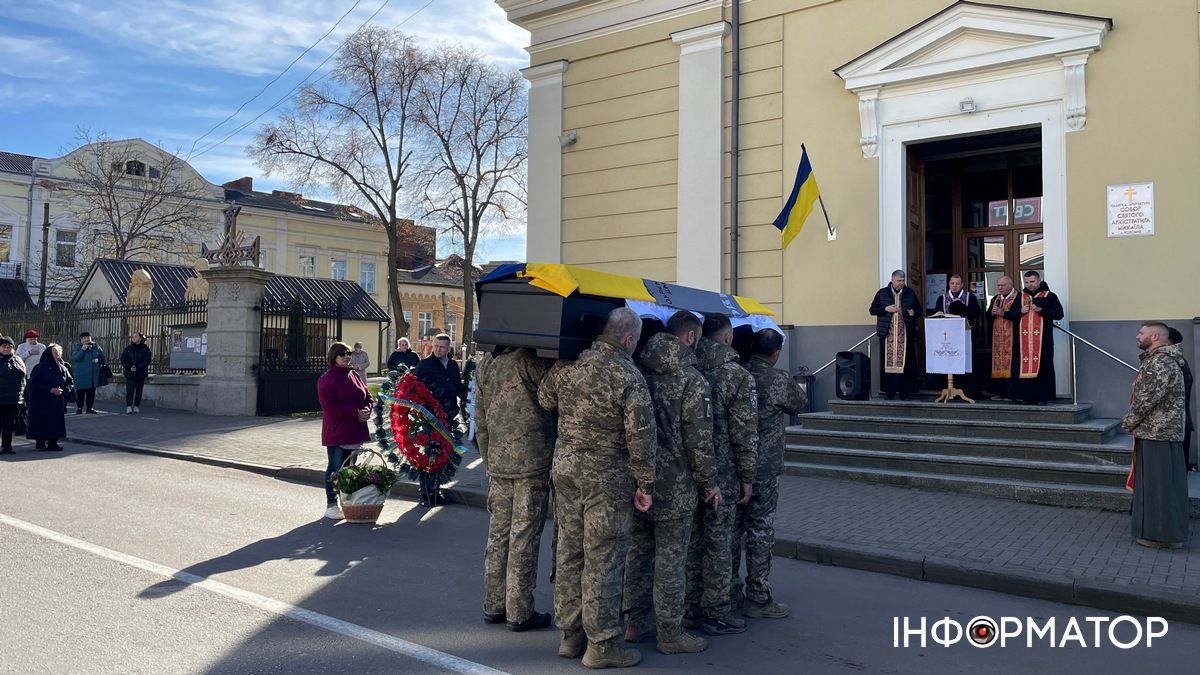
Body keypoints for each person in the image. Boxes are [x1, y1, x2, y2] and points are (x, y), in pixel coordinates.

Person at [538, 307, 656, 669]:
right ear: (627, 339)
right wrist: (646, 483)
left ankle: (571, 636)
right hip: (606, 479)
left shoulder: (569, 365)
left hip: (567, 473)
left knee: (570, 553)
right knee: (603, 558)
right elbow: (642, 435)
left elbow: (544, 399)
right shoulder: (628, 375)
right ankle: (603, 644)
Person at [625, 311, 718, 656]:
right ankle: (670, 633)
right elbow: (699, 440)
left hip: (639, 480)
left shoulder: (636, 369)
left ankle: (633, 623)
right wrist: (709, 483)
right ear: (690, 337)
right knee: (671, 559)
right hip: (676, 483)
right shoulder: (691, 380)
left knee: (638, 553)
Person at [687, 313, 758, 635]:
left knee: (690, 542)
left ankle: (686, 607)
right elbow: (744, 433)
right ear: (727, 337)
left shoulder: (686, 367)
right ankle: (715, 611)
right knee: (719, 544)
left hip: (687, 470)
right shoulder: (737, 375)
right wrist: (748, 476)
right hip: (723, 472)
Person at [476, 346, 556, 632]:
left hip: (498, 462)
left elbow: (480, 417)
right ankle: (519, 611)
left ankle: (494, 604)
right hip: (531, 462)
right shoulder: (531, 359)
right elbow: (550, 399)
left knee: (498, 535)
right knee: (523, 536)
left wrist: (487, 458)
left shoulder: (486, 362)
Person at [733, 329, 806, 619]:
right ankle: (758, 596)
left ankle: (727, 591)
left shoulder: (736, 373)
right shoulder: (778, 379)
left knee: (731, 530)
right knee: (760, 530)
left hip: (734, 465)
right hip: (764, 466)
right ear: (775, 354)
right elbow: (798, 405)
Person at [1122, 322, 1189, 549]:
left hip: (1157, 433)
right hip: (1160, 433)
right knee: (1163, 486)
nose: (1137, 336)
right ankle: (1161, 533)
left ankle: (1160, 536)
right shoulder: (1162, 361)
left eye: (1141, 333)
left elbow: (1146, 400)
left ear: (1155, 337)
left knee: (1158, 488)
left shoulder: (1159, 362)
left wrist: (1128, 422)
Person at [317, 342, 373, 521]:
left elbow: (367, 396)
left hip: (355, 429)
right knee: (335, 468)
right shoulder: (327, 378)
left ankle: (347, 501)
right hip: (337, 431)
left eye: (349, 353)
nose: (347, 356)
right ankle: (331, 504)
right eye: (343, 354)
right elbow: (330, 406)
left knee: (349, 469)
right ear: (334, 357)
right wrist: (355, 413)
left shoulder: (354, 375)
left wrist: (366, 410)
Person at [414, 333, 466, 506]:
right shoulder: (425, 365)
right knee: (430, 453)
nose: (437, 349)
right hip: (430, 418)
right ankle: (425, 493)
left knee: (442, 454)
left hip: (448, 415)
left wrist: (470, 398)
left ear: (448, 348)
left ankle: (436, 491)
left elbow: (458, 386)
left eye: (441, 347)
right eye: (435, 346)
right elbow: (415, 389)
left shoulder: (451, 365)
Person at [1007, 271, 1064, 405]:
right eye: (1026, 282)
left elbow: (1059, 314)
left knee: (1044, 367)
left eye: (1032, 282)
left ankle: (1043, 397)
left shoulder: (1050, 296)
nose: (1029, 285)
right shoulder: (1020, 297)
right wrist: (1020, 312)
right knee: (1021, 367)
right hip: (1022, 341)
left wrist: (1041, 310)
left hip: (1043, 341)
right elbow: (1009, 315)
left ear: (1039, 281)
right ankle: (1025, 397)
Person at [869, 270, 922, 399]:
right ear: (892, 280)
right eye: (899, 281)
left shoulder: (909, 293)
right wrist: (885, 309)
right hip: (888, 335)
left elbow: (919, 310)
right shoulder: (882, 293)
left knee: (906, 364)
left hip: (905, 335)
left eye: (903, 281)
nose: (901, 283)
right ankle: (889, 392)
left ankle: (905, 391)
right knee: (887, 364)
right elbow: (872, 310)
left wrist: (913, 313)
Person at [933, 274, 982, 395]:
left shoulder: (969, 297)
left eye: (957, 284)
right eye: (952, 283)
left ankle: (967, 390)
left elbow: (976, 313)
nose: (954, 286)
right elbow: (937, 314)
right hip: (947, 336)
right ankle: (949, 388)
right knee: (949, 360)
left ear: (962, 285)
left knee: (966, 361)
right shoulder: (942, 298)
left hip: (965, 335)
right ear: (949, 284)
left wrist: (963, 307)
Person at [26, 344, 72, 452]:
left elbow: (70, 382)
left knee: (55, 422)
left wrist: (64, 390)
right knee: (42, 422)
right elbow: (33, 384)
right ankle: (40, 443)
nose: (58, 355)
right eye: (55, 353)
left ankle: (53, 443)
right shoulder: (39, 368)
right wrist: (50, 390)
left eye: (59, 353)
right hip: (41, 401)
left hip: (57, 401)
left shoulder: (62, 368)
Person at [1166, 327, 1196, 471]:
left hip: (1174, 427)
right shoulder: (1181, 361)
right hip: (1181, 423)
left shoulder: (1171, 362)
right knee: (1178, 471)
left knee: (1174, 472)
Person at [985, 276, 1019, 400]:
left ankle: (1012, 394)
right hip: (998, 338)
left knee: (1013, 364)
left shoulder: (1019, 297)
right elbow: (987, 316)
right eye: (998, 285)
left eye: (1003, 285)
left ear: (1010, 285)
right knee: (998, 363)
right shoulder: (996, 298)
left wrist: (1004, 313)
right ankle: (999, 392)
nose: (1000, 288)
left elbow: (1019, 315)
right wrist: (992, 314)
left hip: (1014, 338)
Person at [0, 336, 26, 454]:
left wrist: (21, 396)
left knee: (9, 425)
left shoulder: (18, 360)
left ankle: (7, 446)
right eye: (4, 346)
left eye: (9, 347)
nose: (7, 349)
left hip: (13, 399)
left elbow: (23, 378)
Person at [71, 332, 105, 415]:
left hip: (93, 374)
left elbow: (102, 356)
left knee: (91, 392)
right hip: (81, 374)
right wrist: (83, 350)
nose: (87, 340)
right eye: (84, 338)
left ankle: (89, 408)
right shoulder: (77, 347)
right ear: (81, 339)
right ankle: (79, 408)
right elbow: (75, 358)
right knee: (80, 393)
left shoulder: (95, 346)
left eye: (88, 338)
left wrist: (97, 360)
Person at [120, 332, 152, 414]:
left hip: (141, 373)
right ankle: (129, 406)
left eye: (136, 336)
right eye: (133, 337)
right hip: (130, 373)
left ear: (140, 338)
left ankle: (137, 406)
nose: (133, 338)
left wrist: (138, 367)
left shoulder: (145, 349)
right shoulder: (128, 348)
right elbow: (123, 359)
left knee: (139, 390)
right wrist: (129, 366)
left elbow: (147, 360)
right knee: (130, 390)